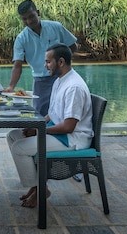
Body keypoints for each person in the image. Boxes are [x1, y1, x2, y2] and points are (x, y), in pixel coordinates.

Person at [7, 44, 91, 208]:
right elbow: (52, 114)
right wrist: (35, 126)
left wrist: (40, 131)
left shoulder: (74, 87)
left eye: (48, 62)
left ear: (61, 62)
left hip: (71, 139)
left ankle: (40, 190)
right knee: (14, 135)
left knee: (19, 148)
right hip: (60, 133)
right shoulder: (59, 81)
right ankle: (37, 186)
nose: (45, 66)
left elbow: (68, 127)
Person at [4, 0, 77, 116]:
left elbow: (73, 46)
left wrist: (63, 65)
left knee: (65, 112)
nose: (29, 21)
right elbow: (17, 66)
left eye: (31, 16)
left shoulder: (56, 27)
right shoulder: (21, 39)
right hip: (41, 82)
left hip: (61, 77)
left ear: (38, 12)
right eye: (24, 19)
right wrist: (11, 86)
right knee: (41, 115)